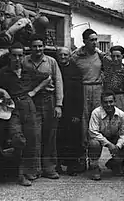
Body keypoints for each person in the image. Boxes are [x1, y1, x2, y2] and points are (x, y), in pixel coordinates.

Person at [0, 42, 51, 186]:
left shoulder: (28, 71)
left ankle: (28, 172)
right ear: (10, 56)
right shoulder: (4, 72)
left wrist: (34, 92)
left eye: (20, 55)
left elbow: (48, 78)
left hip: (28, 106)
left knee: (32, 140)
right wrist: (3, 91)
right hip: (12, 108)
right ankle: (19, 174)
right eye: (14, 56)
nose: (18, 59)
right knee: (18, 140)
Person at [23, 35, 63, 179]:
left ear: (44, 47)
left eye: (40, 46)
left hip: (49, 100)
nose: (38, 49)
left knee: (50, 135)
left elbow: (58, 82)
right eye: (34, 46)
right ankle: (34, 170)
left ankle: (50, 168)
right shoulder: (24, 61)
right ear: (30, 48)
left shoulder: (51, 62)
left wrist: (58, 104)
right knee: (34, 136)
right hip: (32, 101)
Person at [88, 90, 124, 180]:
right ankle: (94, 167)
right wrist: (109, 144)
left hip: (115, 137)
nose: (108, 104)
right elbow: (93, 132)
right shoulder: (96, 113)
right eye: (105, 102)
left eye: (111, 102)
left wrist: (117, 146)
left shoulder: (122, 114)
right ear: (101, 103)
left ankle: (115, 163)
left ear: (115, 102)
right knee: (93, 143)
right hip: (100, 137)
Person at [71, 29, 105, 147]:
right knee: (84, 119)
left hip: (97, 89)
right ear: (85, 41)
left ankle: (95, 156)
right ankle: (83, 151)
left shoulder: (100, 55)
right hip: (83, 89)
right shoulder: (76, 56)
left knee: (97, 118)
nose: (94, 42)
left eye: (96, 40)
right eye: (91, 40)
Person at [56, 47, 84, 176]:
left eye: (65, 55)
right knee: (58, 137)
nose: (62, 57)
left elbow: (79, 94)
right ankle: (58, 166)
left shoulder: (75, 70)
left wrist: (77, 114)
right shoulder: (55, 68)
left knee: (73, 138)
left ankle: (72, 166)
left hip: (72, 109)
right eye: (60, 55)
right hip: (58, 108)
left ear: (69, 56)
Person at [103, 45, 124, 141]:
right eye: (113, 56)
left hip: (122, 100)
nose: (115, 59)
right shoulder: (107, 71)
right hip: (108, 101)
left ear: (123, 56)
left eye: (118, 56)